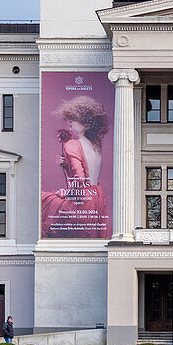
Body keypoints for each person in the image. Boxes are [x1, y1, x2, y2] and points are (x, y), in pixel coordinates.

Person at [41, 95, 111, 238]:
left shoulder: (72, 144)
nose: (69, 122)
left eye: (75, 119)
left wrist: (65, 193)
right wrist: (66, 166)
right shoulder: (95, 146)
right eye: (69, 118)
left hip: (81, 201)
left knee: (42, 201)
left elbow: (79, 180)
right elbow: (89, 174)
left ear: (88, 124)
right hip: (96, 198)